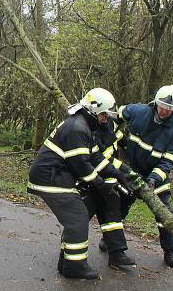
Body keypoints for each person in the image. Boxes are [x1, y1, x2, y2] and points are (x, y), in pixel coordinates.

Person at [28, 88, 137, 278]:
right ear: (94, 111)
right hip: (50, 179)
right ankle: (74, 267)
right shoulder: (77, 128)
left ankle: (68, 264)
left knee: (77, 218)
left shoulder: (84, 126)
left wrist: (119, 174)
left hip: (57, 177)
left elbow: (94, 157)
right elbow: (81, 165)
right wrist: (101, 184)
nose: (105, 120)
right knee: (77, 217)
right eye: (104, 115)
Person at [116, 85, 173, 268]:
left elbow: (168, 163)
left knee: (164, 214)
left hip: (157, 178)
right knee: (119, 206)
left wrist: (153, 179)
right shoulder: (139, 112)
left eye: (169, 109)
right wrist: (114, 135)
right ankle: (112, 242)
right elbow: (119, 113)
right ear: (155, 102)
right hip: (132, 171)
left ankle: (170, 250)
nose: (164, 111)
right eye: (162, 106)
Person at [84, 111, 143, 269]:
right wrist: (124, 170)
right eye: (103, 115)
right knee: (81, 217)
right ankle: (69, 256)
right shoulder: (89, 128)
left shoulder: (109, 123)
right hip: (91, 178)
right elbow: (99, 158)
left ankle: (116, 253)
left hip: (107, 176)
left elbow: (120, 140)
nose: (106, 118)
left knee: (112, 209)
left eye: (107, 115)